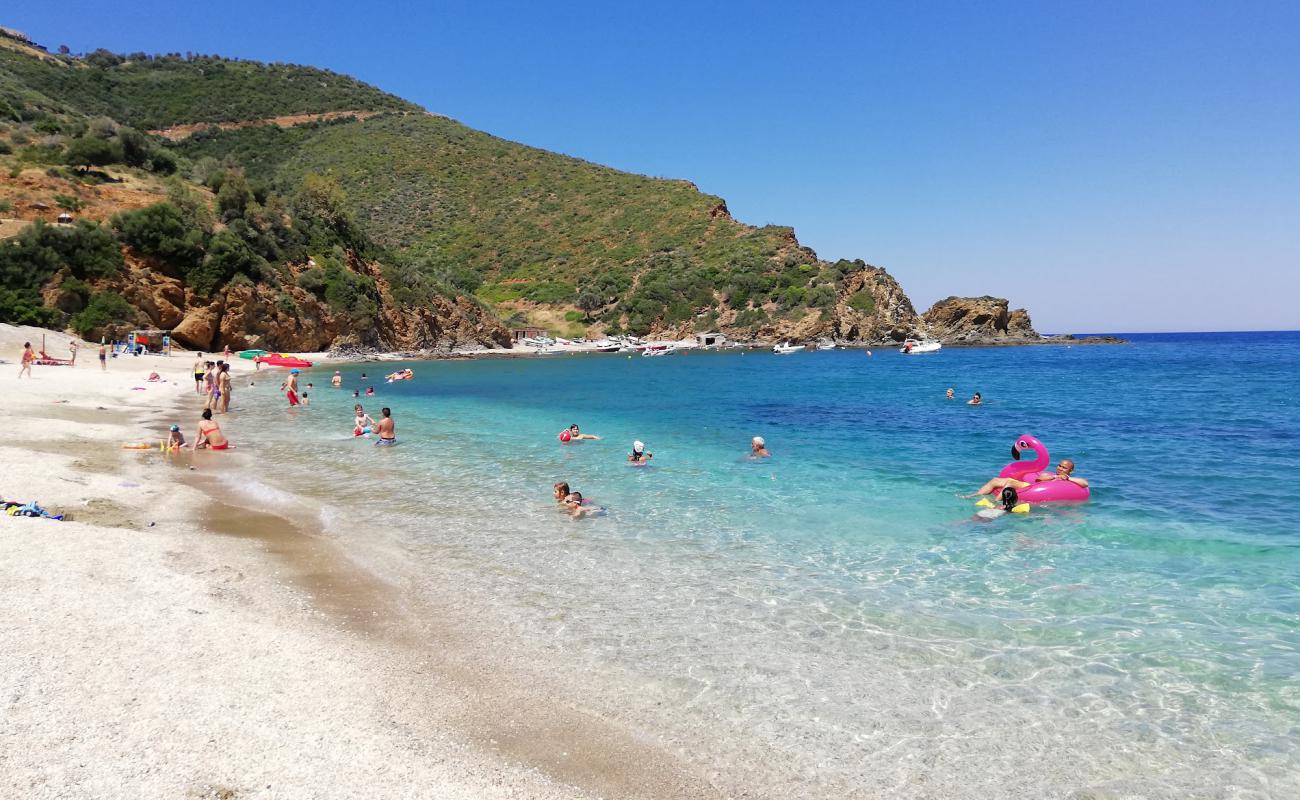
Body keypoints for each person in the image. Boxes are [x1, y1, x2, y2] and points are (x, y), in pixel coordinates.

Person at [965, 459, 1089, 498]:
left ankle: (997, 504)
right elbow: (1040, 479)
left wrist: (1067, 478)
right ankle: (974, 495)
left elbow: (1084, 483)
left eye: (1064, 468)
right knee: (995, 480)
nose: (1061, 468)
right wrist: (1056, 476)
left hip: (1034, 492)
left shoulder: (1070, 480)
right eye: (1059, 466)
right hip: (1031, 487)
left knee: (1010, 482)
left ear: (1070, 470)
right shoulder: (1051, 474)